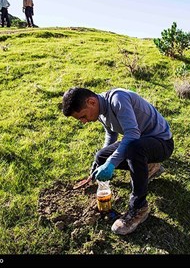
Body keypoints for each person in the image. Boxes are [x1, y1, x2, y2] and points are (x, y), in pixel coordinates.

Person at [62, 87, 174, 235]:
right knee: (101, 156)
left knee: (134, 149)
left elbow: (132, 134)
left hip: (162, 143)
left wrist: (111, 163)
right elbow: (111, 135)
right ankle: (149, 165)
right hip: (141, 142)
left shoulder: (117, 99)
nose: (83, 122)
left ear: (91, 102)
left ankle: (139, 208)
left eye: (82, 116)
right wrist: (101, 162)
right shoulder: (100, 111)